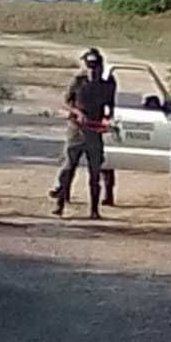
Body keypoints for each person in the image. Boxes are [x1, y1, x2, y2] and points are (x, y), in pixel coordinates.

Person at [50, 48, 116, 219]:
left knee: (95, 171)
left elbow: (111, 106)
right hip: (76, 129)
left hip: (94, 131)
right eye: (90, 66)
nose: (93, 70)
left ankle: (94, 210)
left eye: (96, 67)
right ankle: (60, 203)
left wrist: (107, 118)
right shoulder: (78, 81)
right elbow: (65, 102)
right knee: (68, 167)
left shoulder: (108, 84)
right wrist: (78, 113)